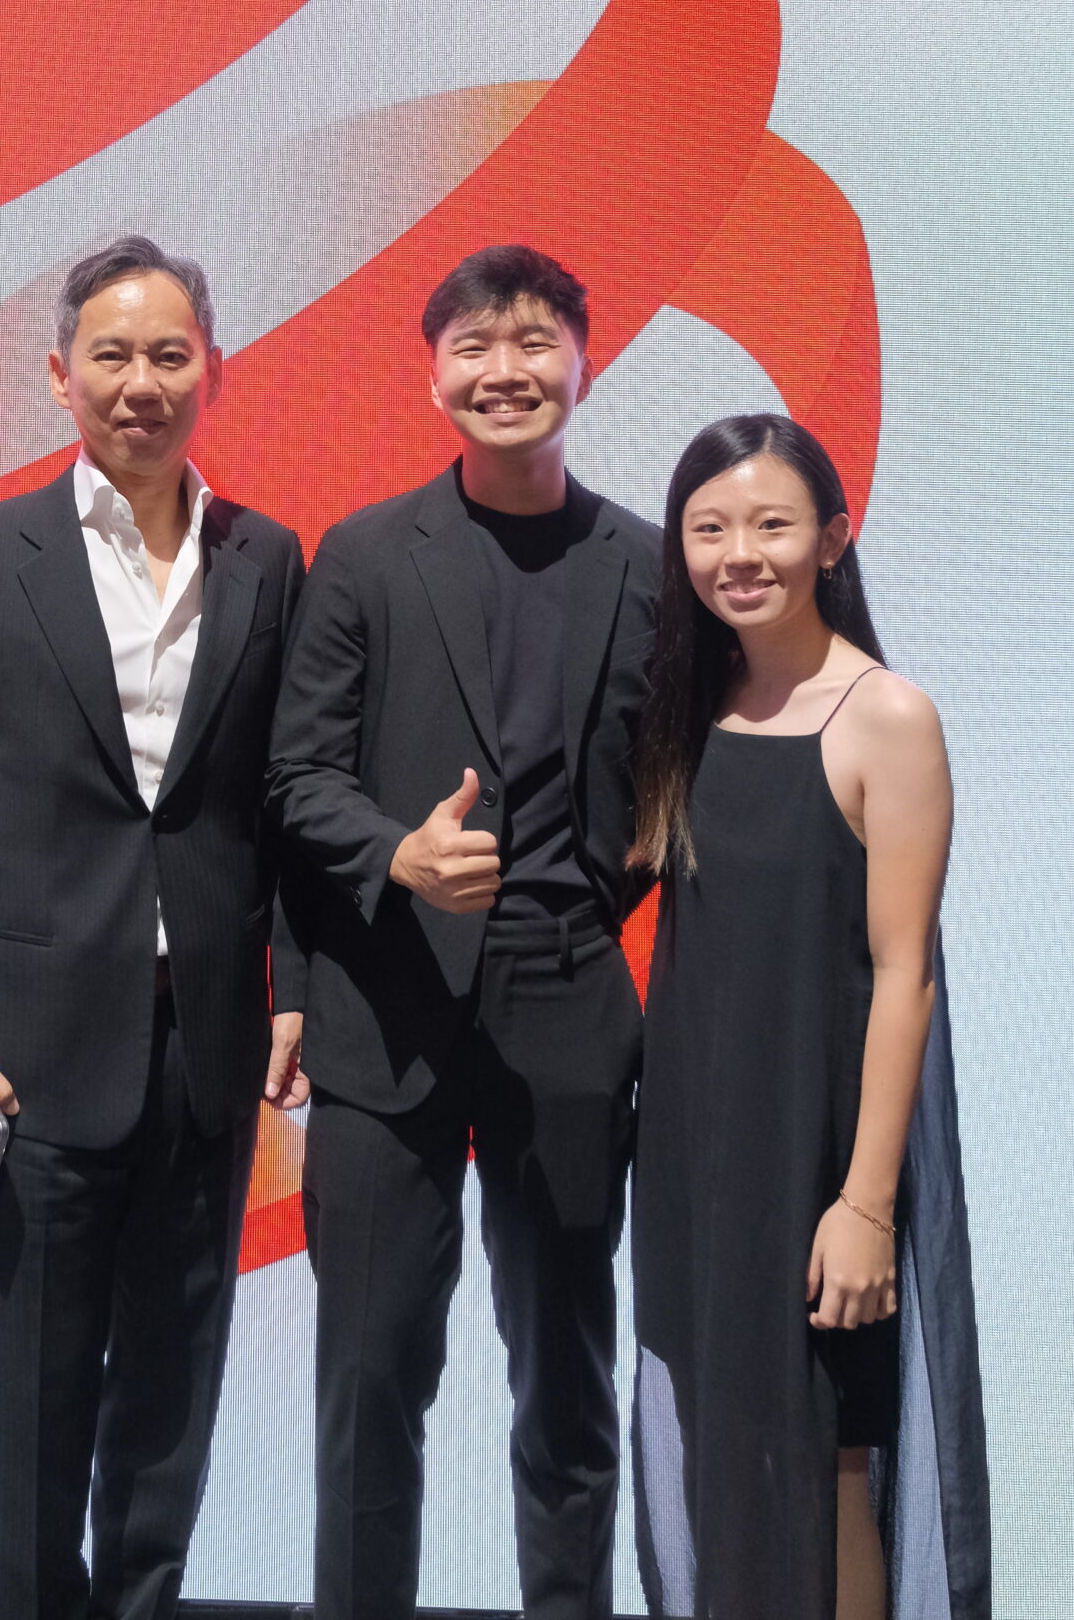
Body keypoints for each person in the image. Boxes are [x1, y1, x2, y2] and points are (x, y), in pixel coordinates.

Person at [0, 234, 307, 1620]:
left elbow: (277, 803)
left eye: (170, 355)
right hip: (25, 1056)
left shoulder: (268, 559)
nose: (142, 383)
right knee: (26, 1401)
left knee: (170, 1397)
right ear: (61, 375)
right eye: (113, 357)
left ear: (213, 371)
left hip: (201, 1050)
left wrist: (290, 986)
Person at [268, 242, 659, 1620]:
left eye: (534, 341)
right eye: (475, 346)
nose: (506, 370)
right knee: (368, 1379)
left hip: (564, 1003)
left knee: (565, 1374)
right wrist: (396, 857)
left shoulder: (650, 563)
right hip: (386, 1014)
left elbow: (679, 779)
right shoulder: (366, 554)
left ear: (581, 365)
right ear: (431, 375)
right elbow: (294, 775)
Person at [629, 412, 989, 1620]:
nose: (742, 551)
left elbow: (906, 974)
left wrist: (867, 1204)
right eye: (711, 526)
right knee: (726, 1449)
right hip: (695, 1157)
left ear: (833, 536)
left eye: (773, 523)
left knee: (827, 1464)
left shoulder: (887, 716)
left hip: (819, 1161)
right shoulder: (690, 712)